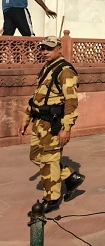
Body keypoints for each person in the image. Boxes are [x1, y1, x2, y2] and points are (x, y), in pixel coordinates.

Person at [19, 36, 85, 213]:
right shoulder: (48, 67)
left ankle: (52, 198)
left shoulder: (65, 71)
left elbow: (71, 101)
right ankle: (70, 176)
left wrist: (67, 128)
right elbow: (38, 96)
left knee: (49, 161)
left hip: (52, 124)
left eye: (49, 48)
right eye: (42, 49)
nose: (45, 52)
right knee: (36, 156)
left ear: (59, 48)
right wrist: (26, 117)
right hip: (39, 121)